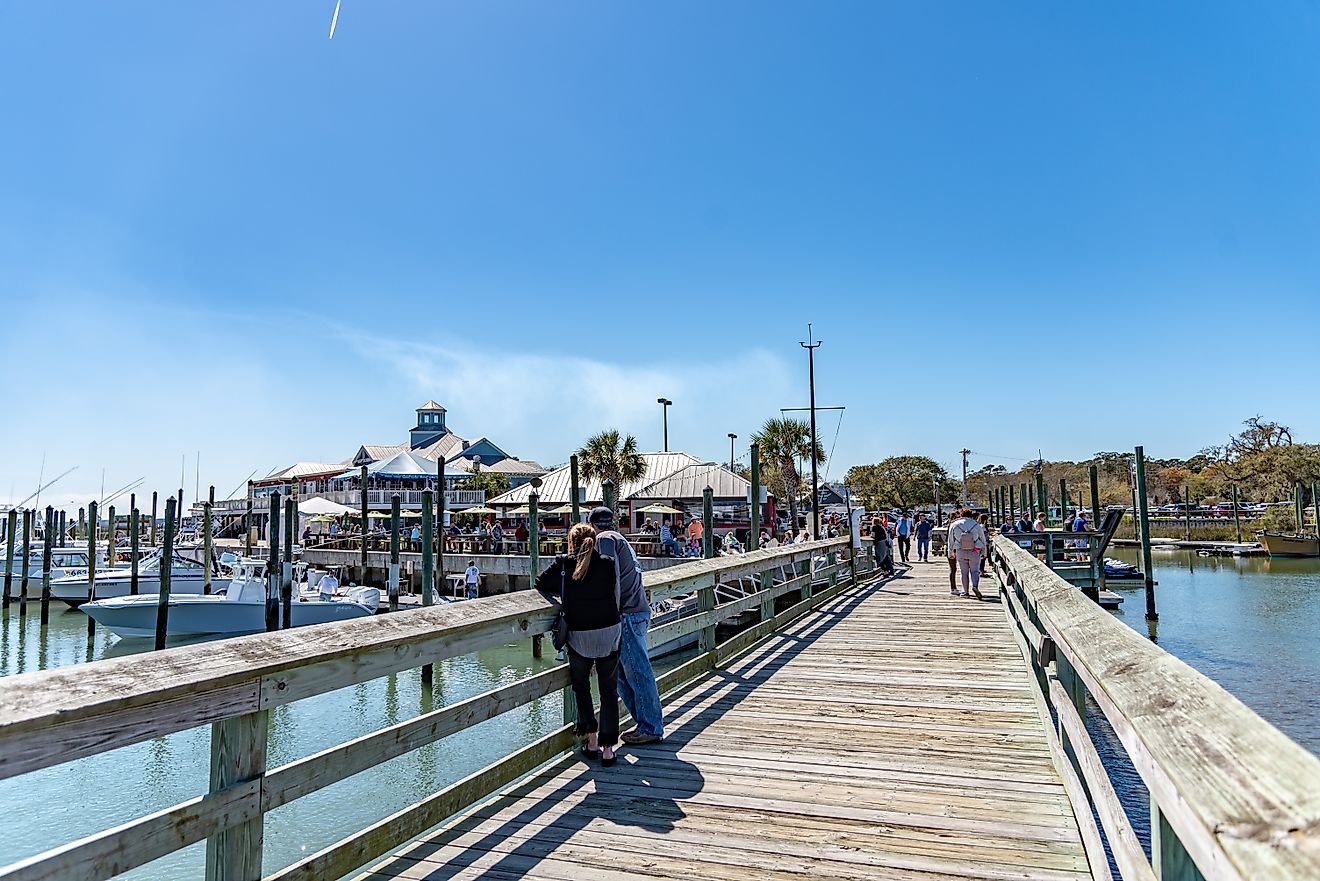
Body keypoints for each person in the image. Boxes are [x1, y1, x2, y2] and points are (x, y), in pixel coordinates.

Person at [535, 522, 621, 766]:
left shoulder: (564, 565)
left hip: (580, 635)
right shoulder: (608, 563)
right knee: (608, 691)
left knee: (581, 687)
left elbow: (540, 583)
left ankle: (591, 740)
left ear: (571, 542)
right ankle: (608, 749)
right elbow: (616, 594)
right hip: (608, 632)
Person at [588, 507, 664, 745]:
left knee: (637, 673)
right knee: (621, 675)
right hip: (634, 612)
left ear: (592, 524)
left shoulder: (604, 539)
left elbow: (609, 578)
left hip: (626, 615)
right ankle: (645, 723)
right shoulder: (619, 538)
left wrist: (606, 613)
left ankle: (650, 727)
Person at [947, 509, 987, 598]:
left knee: (963, 571)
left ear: (961, 515)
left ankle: (965, 591)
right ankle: (975, 586)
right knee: (975, 571)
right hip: (975, 550)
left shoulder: (954, 524)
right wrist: (984, 551)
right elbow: (983, 539)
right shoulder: (976, 524)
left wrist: (950, 552)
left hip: (960, 550)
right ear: (971, 515)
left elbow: (950, 540)